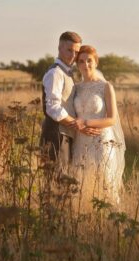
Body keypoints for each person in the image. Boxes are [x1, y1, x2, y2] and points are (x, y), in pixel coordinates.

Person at [71, 45, 126, 205]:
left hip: (101, 141)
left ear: (96, 62)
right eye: (81, 61)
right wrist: (79, 126)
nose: (85, 65)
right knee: (82, 184)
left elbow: (112, 119)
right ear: (77, 65)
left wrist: (86, 122)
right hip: (81, 141)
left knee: (104, 183)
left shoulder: (105, 87)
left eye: (89, 60)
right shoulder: (76, 88)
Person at [40, 31, 99, 168]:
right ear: (59, 48)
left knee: (62, 182)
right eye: (69, 50)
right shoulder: (55, 73)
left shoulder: (67, 72)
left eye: (76, 52)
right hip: (55, 135)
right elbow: (53, 108)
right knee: (55, 183)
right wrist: (78, 125)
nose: (73, 55)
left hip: (64, 135)